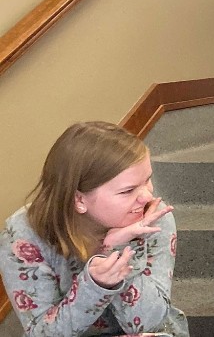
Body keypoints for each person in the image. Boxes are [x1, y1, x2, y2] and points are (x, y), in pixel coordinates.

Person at [0, 121, 188, 336]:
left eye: (147, 180)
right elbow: (43, 334)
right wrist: (96, 284)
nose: (147, 196)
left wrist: (120, 250)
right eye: (128, 191)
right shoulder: (24, 235)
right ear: (79, 199)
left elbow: (148, 322)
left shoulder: (154, 216)